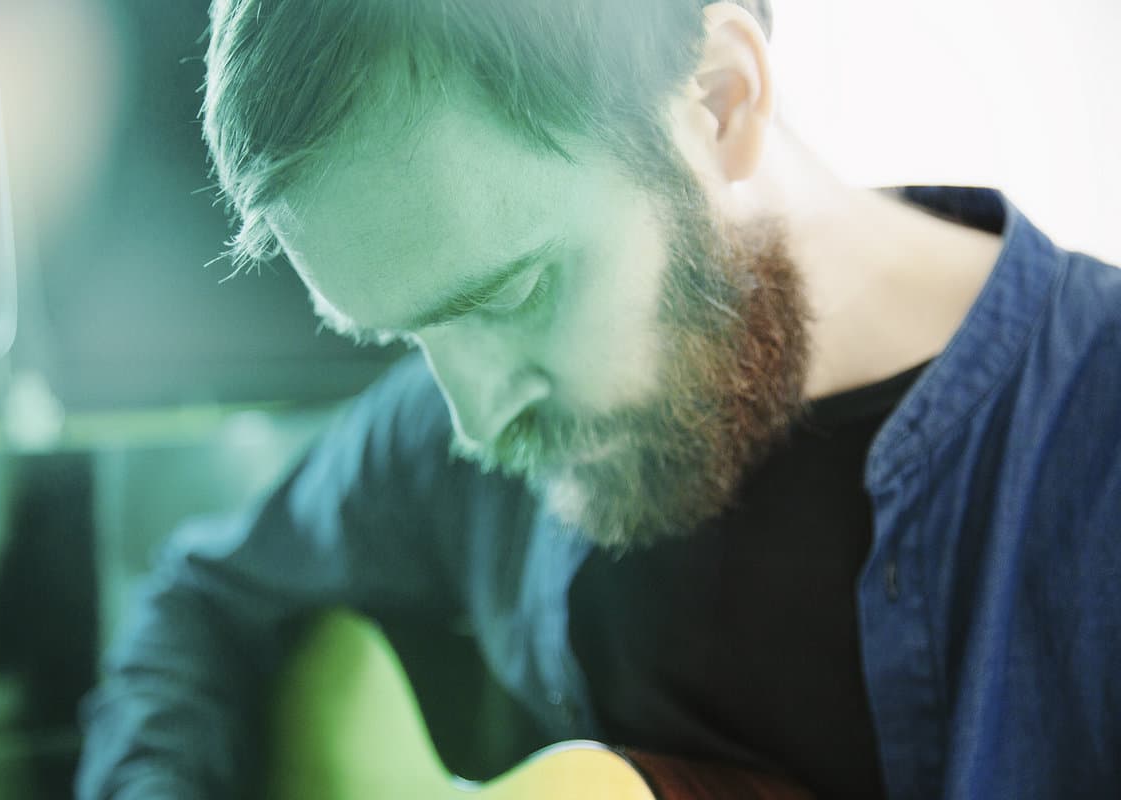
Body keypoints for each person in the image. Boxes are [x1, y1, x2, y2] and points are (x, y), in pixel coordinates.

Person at [76, 1, 1121, 798]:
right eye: (405, 332)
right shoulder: (461, 424)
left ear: (720, 101)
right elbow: (204, 605)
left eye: (513, 292)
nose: (476, 422)